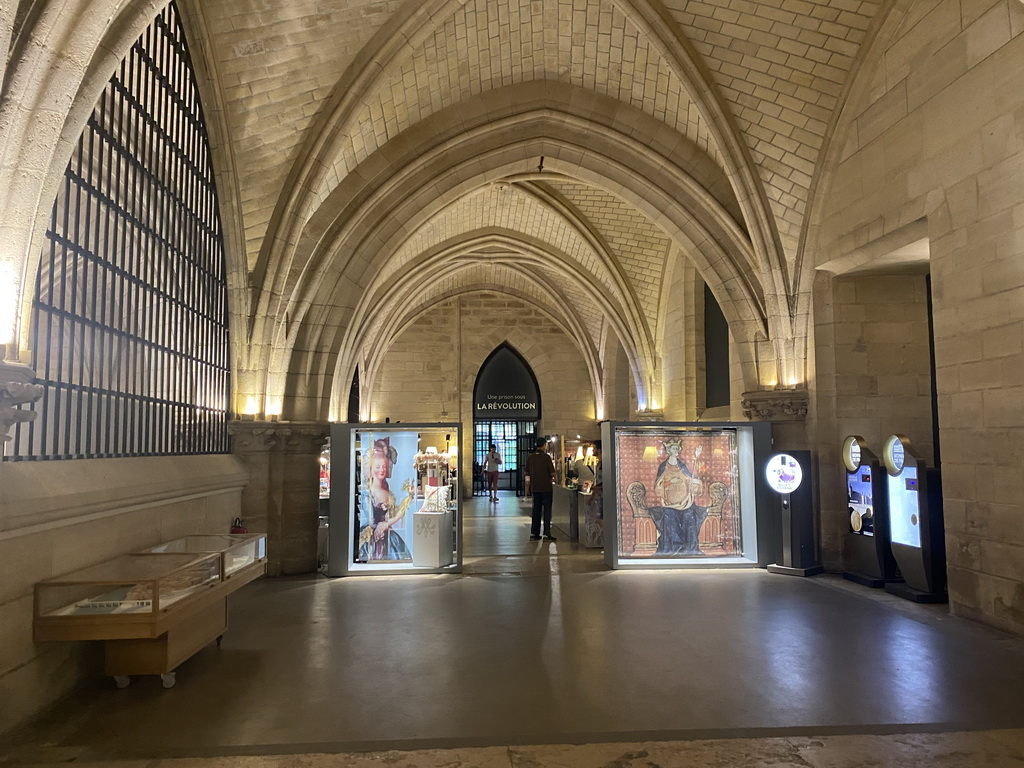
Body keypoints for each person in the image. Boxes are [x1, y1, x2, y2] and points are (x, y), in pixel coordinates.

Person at [647, 439, 706, 555]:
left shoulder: (682, 466)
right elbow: (658, 487)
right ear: (668, 451)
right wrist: (670, 482)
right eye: (674, 448)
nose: (677, 451)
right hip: (670, 503)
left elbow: (689, 479)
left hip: (686, 502)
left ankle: (690, 549)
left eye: (677, 449)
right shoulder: (664, 467)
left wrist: (693, 483)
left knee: (690, 518)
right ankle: (673, 549)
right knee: (669, 518)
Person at [357, 437, 412, 562]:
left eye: (383, 466)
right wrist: (383, 525)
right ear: (370, 469)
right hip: (374, 538)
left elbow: (396, 514)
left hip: (389, 535)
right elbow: (371, 521)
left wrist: (409, 498)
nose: (381, 470)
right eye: (377, 467)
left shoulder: (389, 493)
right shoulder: (367, 493)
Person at [525, 437, 556, 541]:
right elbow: (552, 473)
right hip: (546, 487)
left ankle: (534, 533)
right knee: (547, 510)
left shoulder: (530, 457)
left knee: (536, 510)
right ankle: (547, 533)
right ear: (544, 445)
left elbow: (527, 472)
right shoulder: (546, 457)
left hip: (535, 487)